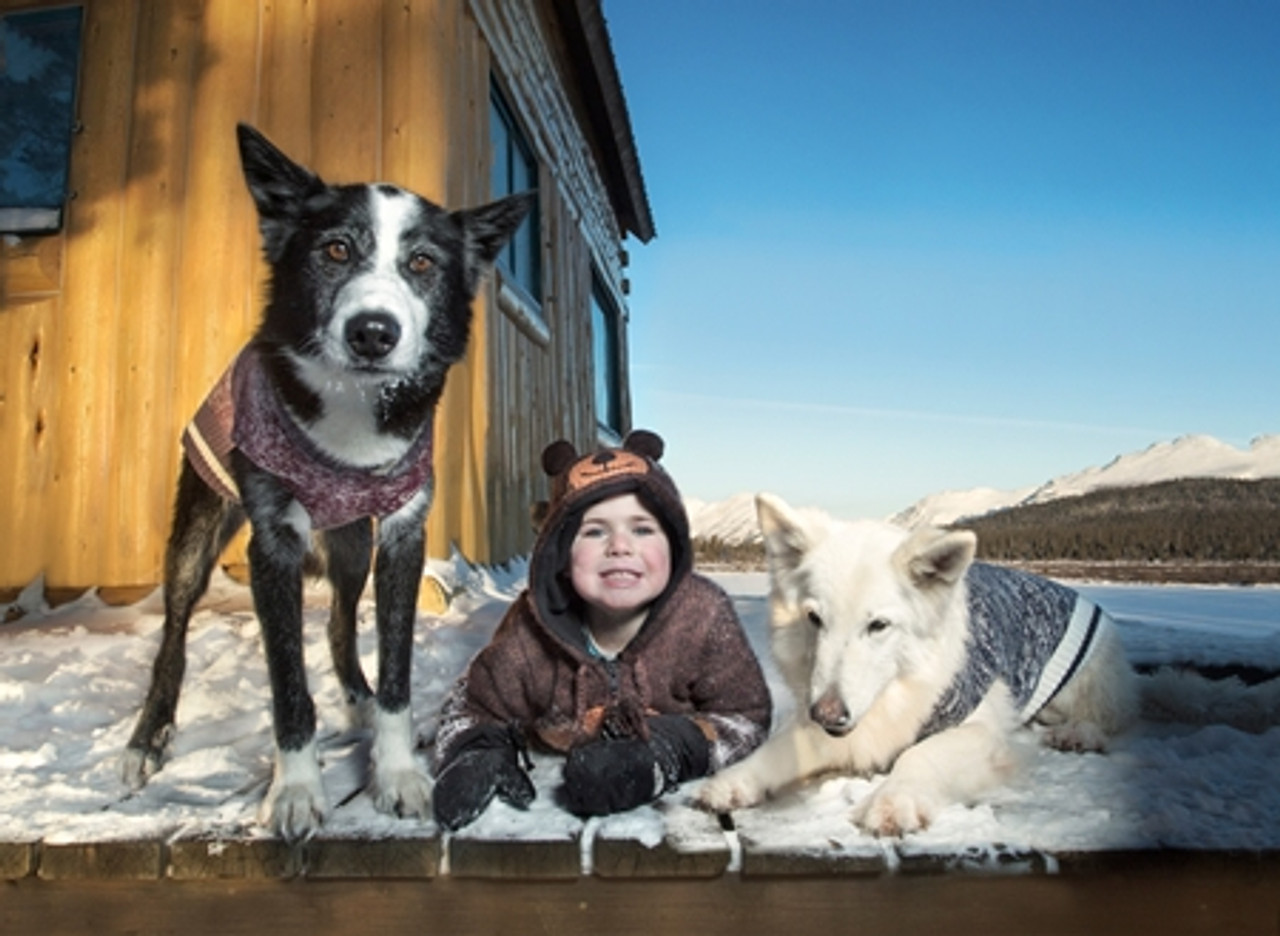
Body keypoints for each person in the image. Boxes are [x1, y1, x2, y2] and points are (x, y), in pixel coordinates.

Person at [431, 430, 772, 830]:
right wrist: (478, 749)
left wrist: (671, 749)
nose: (620, 546)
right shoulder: (532, 631)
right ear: (559, 552)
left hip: (666, 819)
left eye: (642, 529)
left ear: (674, 544)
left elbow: (746, 714)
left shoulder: (702, 616)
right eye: (594, 531)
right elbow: (471, 702)